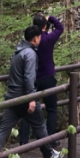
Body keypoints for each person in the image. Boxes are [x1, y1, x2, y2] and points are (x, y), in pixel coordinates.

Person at [0, 25, 61, 158]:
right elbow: (29, 77)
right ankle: (49, 155)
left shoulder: (17, 52)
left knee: (3, 130)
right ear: (35, 38)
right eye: (40, 37)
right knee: (39, 126)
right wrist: (32, 98)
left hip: (12, 98)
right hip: (25, 97)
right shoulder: (31, 54)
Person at [19, 14, 64, 146]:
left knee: (29, 109)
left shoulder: (30, 41)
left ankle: (24, 141)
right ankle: (50, 139)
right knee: (51, 109)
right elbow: (60, 28)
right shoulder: (48, 38)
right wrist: (51, 17)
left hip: (32, 79)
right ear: (45, 26)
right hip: (48, 78)